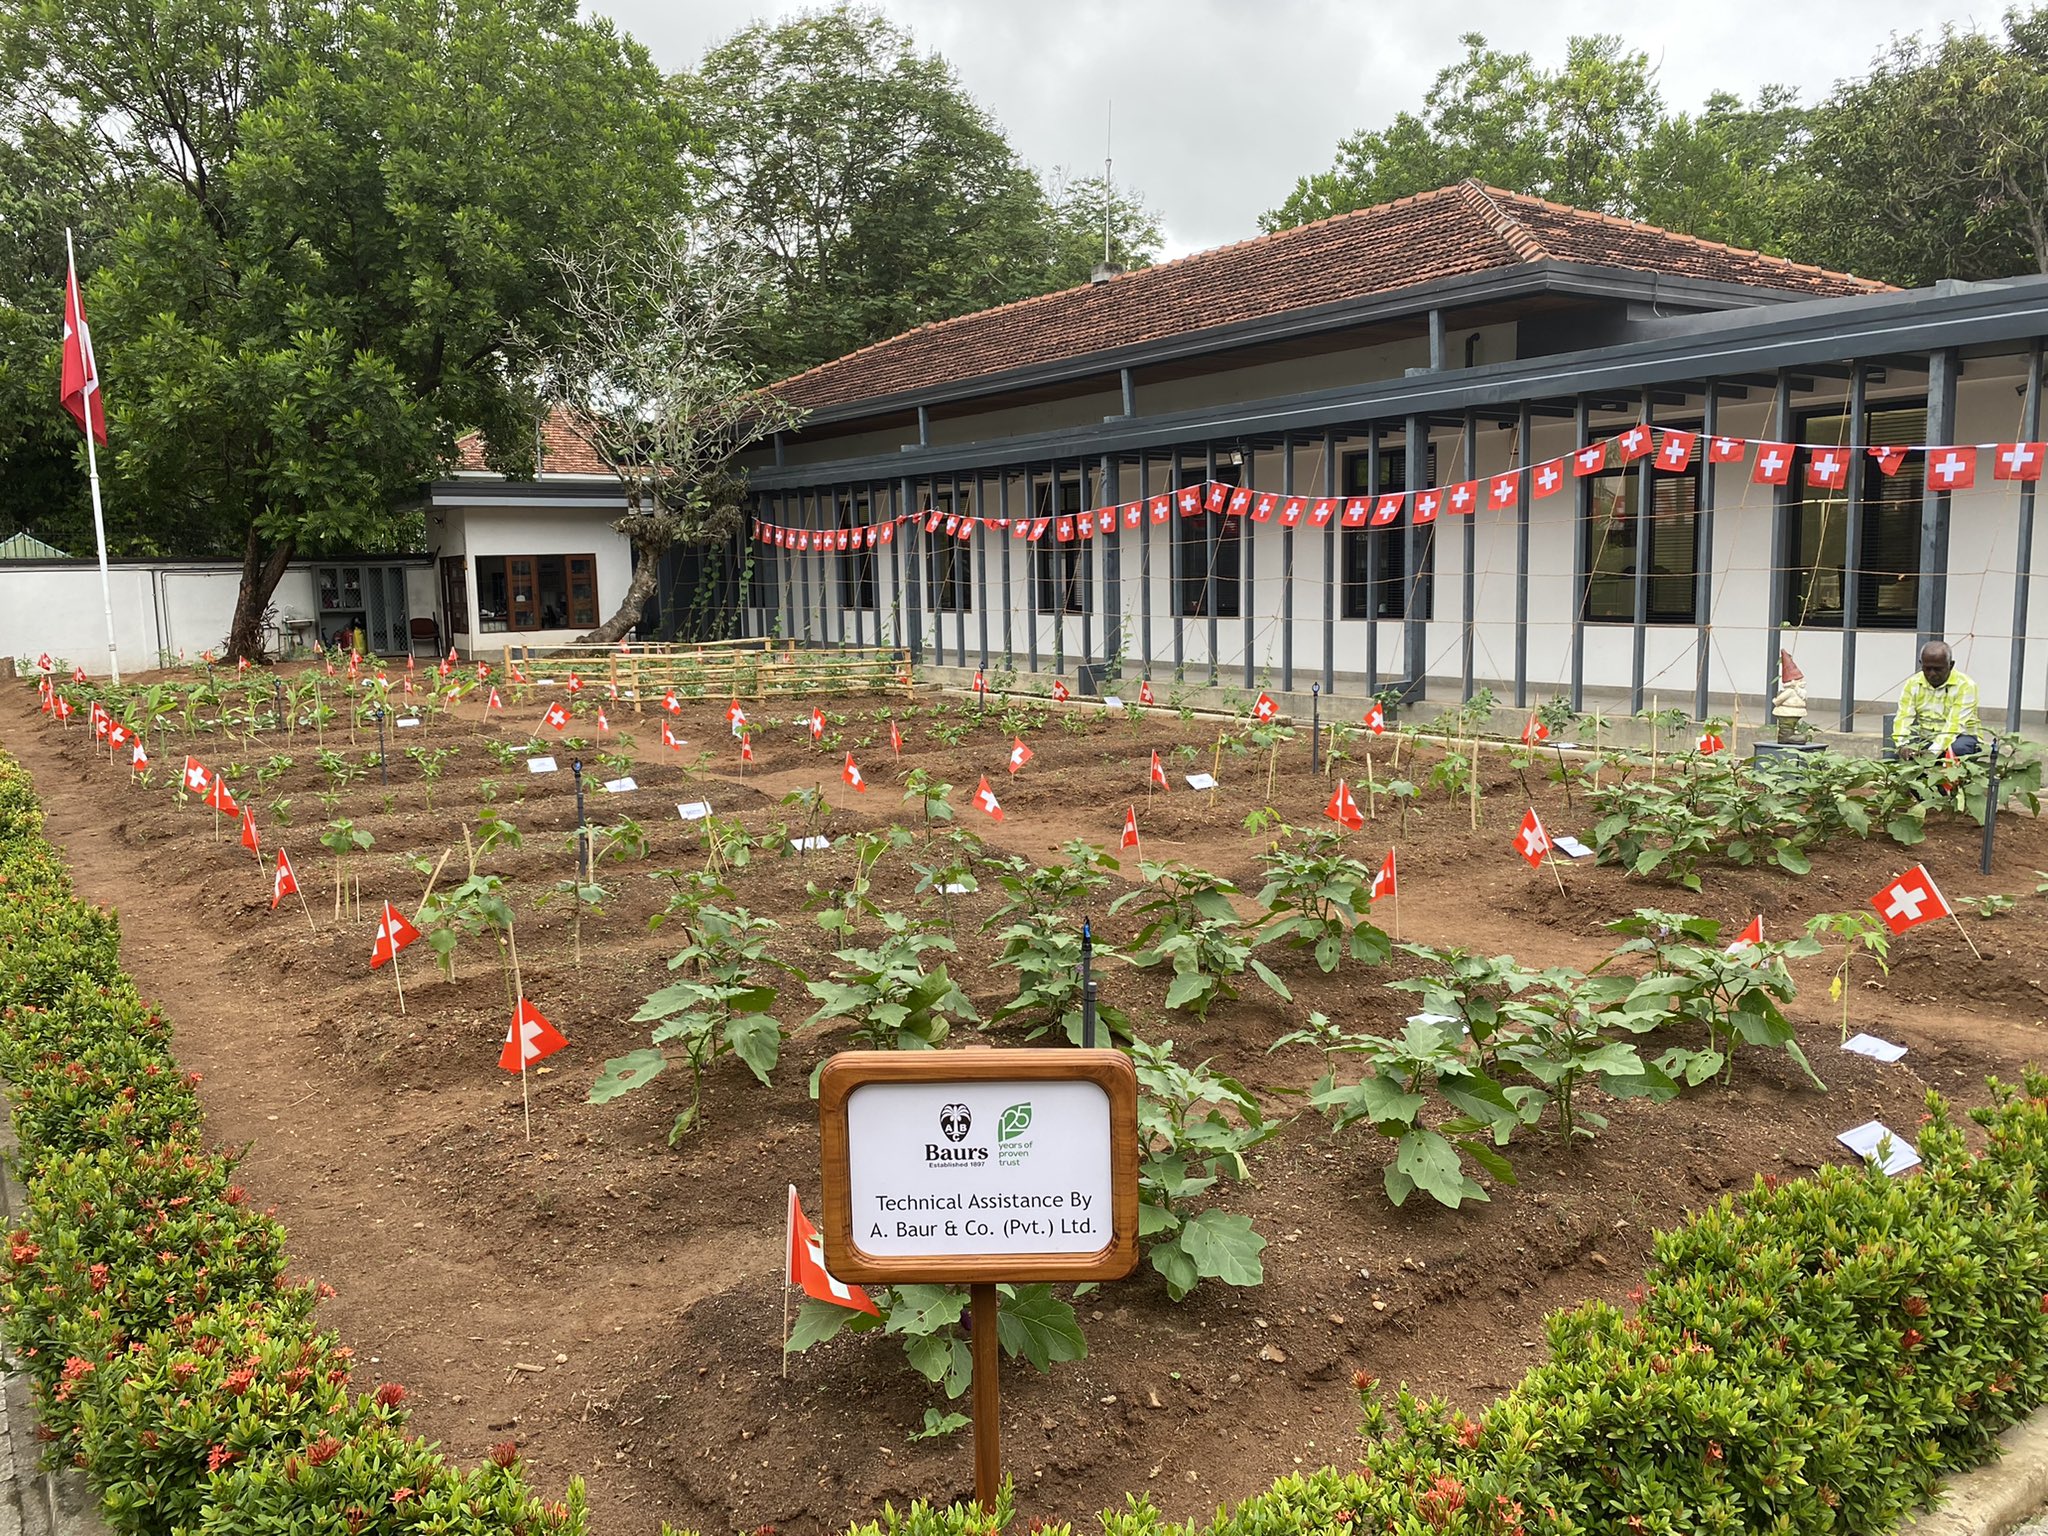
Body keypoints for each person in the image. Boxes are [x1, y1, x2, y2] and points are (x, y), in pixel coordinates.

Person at [1893, 640, 1981, 758]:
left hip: (1962, 737)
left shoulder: (1966, 686)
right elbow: (1903, 717)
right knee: (1893, 756)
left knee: (1957, 750)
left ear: (1951, 665)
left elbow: (1954, 725)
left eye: (1938, 669)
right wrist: (1903, 745)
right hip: (1926, 738)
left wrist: (1931, 753)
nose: (1932, 674)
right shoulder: (1913, 684)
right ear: (1921, 664)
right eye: (1927, 669)